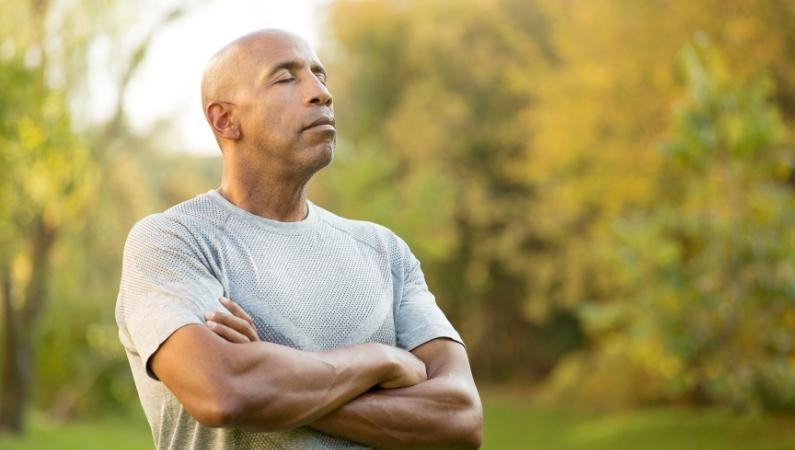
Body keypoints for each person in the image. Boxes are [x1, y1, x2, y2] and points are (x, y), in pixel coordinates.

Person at [115, 29, 482, 450]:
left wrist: (273, 379)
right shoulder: (174, 241)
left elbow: (461, 418)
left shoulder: (385, 252)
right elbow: (223, 392)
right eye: (285, 78)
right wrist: (382, 360)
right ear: (225, 119)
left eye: (319, 75)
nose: (320, 93)